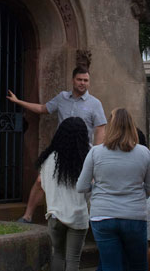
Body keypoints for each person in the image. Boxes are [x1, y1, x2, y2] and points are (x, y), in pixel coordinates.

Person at [76, 108, 150, 271]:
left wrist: (99, 190)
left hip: (103, 216)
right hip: (133, 216)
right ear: (132, 127)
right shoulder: (143, 153)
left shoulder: (96, 153)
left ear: (110, 127)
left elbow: (82, 186)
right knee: (138, 270)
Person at [8, 66, 107, 223]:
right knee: (41, 181)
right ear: (73, 80)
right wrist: (18, 101)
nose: (82, 83)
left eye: (86, 80)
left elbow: (100, 129)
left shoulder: (95, 103)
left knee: (89, 186)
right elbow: (42, 108)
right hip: (60, 152)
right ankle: (27, 216)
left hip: (83, 153)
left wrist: (96, 154)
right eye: (79, 80)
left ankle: (92, 220)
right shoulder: (62, 98)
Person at [39, 117, 93, 271]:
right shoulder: (83, 159)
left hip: (54, 215)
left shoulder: (48, 158)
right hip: (78, 217)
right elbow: (88, 191)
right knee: (73, 261)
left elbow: (43, 185)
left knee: (57, 256)